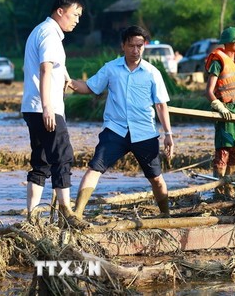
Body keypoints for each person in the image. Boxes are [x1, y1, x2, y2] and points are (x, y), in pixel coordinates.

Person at [69, 25, 174, 222]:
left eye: (139, 46)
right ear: (123, 46)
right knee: (94, 168)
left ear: (144, 46)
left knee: (156, 179)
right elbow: (90, 87)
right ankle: (77, 214)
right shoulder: (111, 69)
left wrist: (168, 134)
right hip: (115, 131)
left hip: (144, 132)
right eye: (131, 45)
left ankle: (165, 214)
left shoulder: (152, 73)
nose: (135, 50)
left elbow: (161, 105)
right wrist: (68, 82)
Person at [21, 0, 87, 228]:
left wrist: (67, 77)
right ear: (60, 11)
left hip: (32, 107)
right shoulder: (50, 34)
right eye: (75, 14)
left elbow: (54, 66)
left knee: (41, 162)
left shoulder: (42, 31)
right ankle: (67, 214)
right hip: (45, 107)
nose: (77, 20)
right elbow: (46, 69)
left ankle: (31, 216)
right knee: (62, 157)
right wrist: (48, 107)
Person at [205, 27, 235, 194]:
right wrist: (218, 106)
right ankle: (219, 190)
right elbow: (209, 90)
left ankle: (230, 187)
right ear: (229, 43)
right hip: (226, 108)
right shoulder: (218, 61)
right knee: (223, 150)